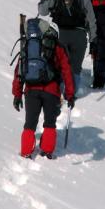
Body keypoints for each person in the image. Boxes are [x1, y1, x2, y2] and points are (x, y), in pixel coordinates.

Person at [12, 20, 75, 159]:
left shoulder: (29, 45)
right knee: (50, 123)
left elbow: (19, 71)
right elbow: (67, 71)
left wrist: (17, 94)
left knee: (30, 124)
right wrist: (70, 94)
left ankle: (26, 151)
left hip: (31, 90)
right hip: (51, 91)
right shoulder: (57, 47)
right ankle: (47, 150)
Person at [38, 0, 97, 94]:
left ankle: (57, 93)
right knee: (75, 68)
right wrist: (93, 41)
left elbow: (42, 11)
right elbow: (92, 22)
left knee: (59, 65)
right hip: (80, 37)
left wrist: (43, 0)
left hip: (60, 35)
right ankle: (71, 95)